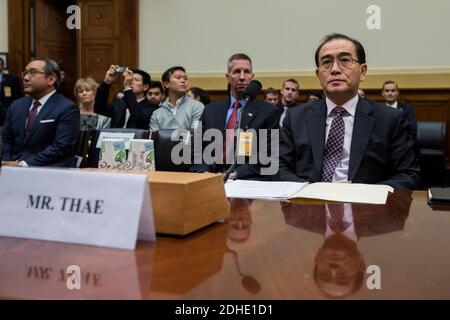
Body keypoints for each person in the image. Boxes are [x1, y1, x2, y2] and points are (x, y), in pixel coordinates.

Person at [278, 33, 421, 189]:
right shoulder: (295, 117)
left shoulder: (390, 119)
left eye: (344, 60)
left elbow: (409, 175)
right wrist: (311, 190)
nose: (334, 69)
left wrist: (364, 192)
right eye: (326, 62)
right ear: (319, 75)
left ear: (363, 71)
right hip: (308, 205)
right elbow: (277, 166)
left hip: (366, 209)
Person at [281, 190, 412, 298]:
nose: (333, 269)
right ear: (360, 263)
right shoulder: (391, 218)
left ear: (316, 259)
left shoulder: (294, 215)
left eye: (324, 274)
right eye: (343, 277)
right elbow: (406, 171)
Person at [190, 53, 281, 180]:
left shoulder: (268, 112)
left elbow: (269, 154)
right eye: (237, 71)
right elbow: (197, 147)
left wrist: (235, 174)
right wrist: (204, 172)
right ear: (228, 77)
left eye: (247, 72)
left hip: (247, 178)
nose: (242, 77)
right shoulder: (210, 110)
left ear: (252, 76)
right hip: (210, 177)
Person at [1, 58, 80, 167]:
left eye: (33, 73)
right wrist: (6, 162)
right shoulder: (16, 105)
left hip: (49, 172)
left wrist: (24, 164)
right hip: (13, 170)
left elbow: (61, 147)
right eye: (25, 73)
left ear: (51, 79)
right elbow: (7, 139)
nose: (25, 78)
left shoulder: (67, 108)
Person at [149, 66, 204, 131]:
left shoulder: (197, 106)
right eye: (178, 77)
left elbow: (196, 135)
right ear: (166, 84)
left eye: (185, 78)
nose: (183, 81)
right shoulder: (157, 113)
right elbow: (154, 138)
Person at [0, 57, 22, 126]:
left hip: (7, 113)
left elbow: (17, 97)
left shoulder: (12, 79)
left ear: (2, 66)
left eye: (0, 64)